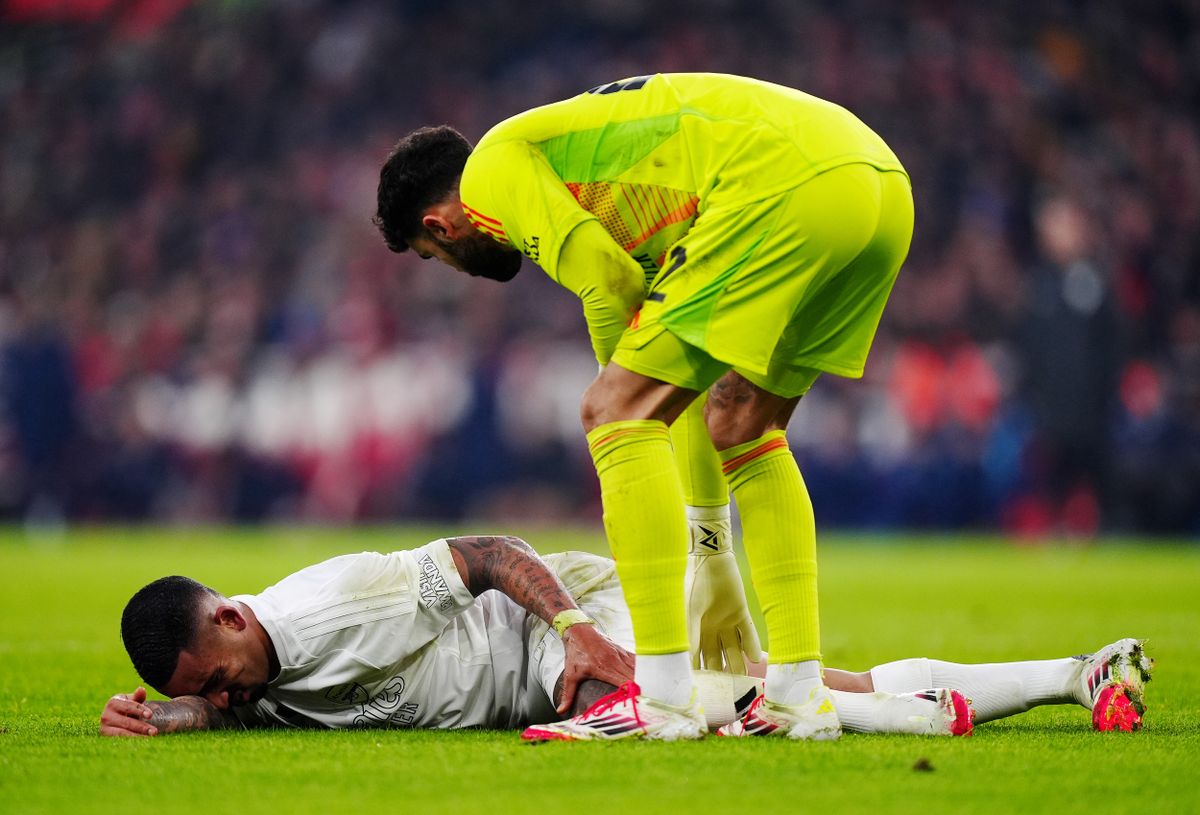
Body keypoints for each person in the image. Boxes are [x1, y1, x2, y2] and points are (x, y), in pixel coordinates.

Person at [373, 72, 915, 740]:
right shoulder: (613, 183)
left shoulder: (489, 172)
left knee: (614, 410)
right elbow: (676, 375)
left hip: (780, 185)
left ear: (439, 225)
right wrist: (711, 549)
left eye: (438, 256)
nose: (456, 265)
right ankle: (800, 694)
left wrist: (618, 400)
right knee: (744, 424)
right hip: (873, 182)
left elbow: (607, 283)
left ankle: (660, 698)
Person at [98, 535, 1152, 738]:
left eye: (223, 677)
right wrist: (177, 710)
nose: (235, 699)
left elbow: (487, 551)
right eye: (217, 691)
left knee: (765, 696)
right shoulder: (245, 675)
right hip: (547, 674)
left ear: (235, 617)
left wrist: (575, 633)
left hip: (569, 639)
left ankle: (1037, 680)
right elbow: (225, 704)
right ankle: (1065, 674)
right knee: (797, 684)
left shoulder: (336, 601)